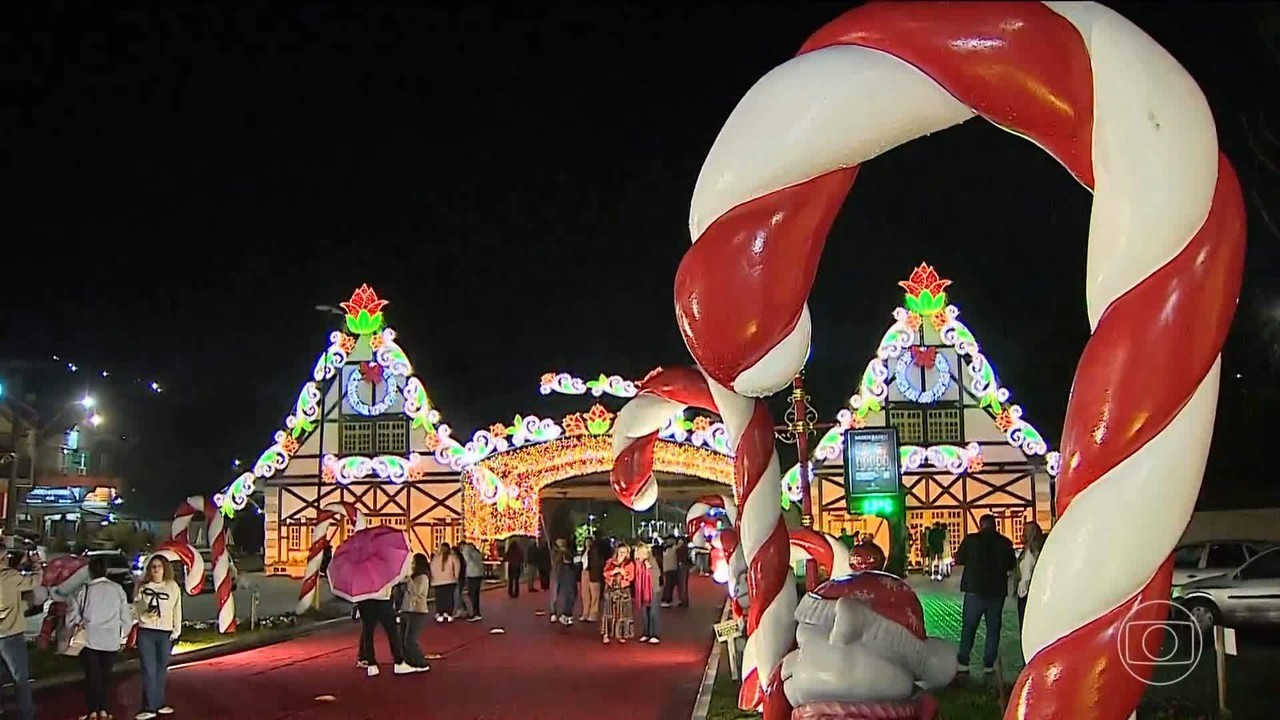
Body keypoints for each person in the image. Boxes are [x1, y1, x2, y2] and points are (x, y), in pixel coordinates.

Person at [67, 554, 132, 720]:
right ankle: (104, 709)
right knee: (106, 677)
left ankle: (93, 711)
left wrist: (78, 624)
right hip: (110, 640)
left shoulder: (84, 590)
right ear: (106, 571)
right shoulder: (117, 589)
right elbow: (125, 617)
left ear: (90, 571)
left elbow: (72, 616)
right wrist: (123, 637)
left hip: (90, 639)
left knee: (92, 677)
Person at [952, 515, 1016, 674]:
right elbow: (1011, 565)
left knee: (969, 626)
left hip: (974, 589)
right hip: (996, 591)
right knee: (993, 628)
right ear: (995, 525)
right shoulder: (1005, 542)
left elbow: (959, 559)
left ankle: (963, 661)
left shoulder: (971, 540)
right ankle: (988, 663)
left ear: (981, 525)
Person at [133, 554, 183, 719]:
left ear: (164, 569)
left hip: (165, 633)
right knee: (149, 670)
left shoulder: (172, 587)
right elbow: (137, 608)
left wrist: (176, 630)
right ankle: (149, 706)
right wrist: (146, 615)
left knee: (161, 669)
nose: (156, 569)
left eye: (159, 566)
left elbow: (177, 609)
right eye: (153, 566)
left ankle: (159, 702)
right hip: (147, 632)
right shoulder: (143, 588)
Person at [0, 551, 40, 720]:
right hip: (11, 634)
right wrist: (37, 564)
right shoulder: (10, 576)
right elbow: (35, 580)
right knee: (20, 678)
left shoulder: (9, 576)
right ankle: (26, 714)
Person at [355, 579, 413, 677]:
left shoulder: (359, 568)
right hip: (382, 597)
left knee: (368, 631)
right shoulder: (381, 565)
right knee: (391, 630)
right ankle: (398, 662)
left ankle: (371, 664)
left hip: (365, 598)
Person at [399, 554, 432, 672]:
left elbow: (417, 592)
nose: (412, 565)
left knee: (410, 639)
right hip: (406, 609)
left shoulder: (423, 577)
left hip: (418, 610)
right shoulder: (414, 576)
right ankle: (408, 660)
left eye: (413, 562)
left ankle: (420, 662)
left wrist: (409, 581)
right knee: (402, 638)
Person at [1013, 522, 1045, 629]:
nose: (1022, 534)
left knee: (1025, 625)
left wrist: (1021, 591)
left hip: (1026, 594)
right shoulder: (1038, 550)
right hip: (1034, 591)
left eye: (1024, 531)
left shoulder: (1029, 553)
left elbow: (1027, 574)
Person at [600, 545, 635, 644]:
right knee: (608, 611)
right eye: (620, 552)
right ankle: (606, 634)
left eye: (624, 552)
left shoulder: (629, 564)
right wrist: (613, 571)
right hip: (611, 590)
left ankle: (621, 634)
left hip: (623, 591)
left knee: (622, 612)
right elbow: (604, 573)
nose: (621, 554)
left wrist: (624, 574)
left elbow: (631, 577)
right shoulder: (610, 561)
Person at [633, 544, 661, 644]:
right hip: (642, 591)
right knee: (645, 613)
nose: (637, 554)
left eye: (639, 552)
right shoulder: (637, 563)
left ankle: (654, 634)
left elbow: (657, 574)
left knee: (653, 613)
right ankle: (646, 633)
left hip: (652, 589)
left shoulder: (651, 560)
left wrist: (649, 569)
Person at [429, 542, 461, 623]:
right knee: (449, 598)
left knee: (439, 598)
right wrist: (456, 576)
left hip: (438, 581)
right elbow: (457, 566)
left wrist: (433, 578)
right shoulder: (452, 557)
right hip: (450, 580)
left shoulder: (436, 558)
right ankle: (449, 614)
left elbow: (432, 568)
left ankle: (440, 614)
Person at [579, 535, 605, 623]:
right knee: (585, 594)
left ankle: (593, 613)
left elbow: (597, 563)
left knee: (594, 594)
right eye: (586, 541)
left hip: (593, 573)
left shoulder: (595, 551)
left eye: (589, 541)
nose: (587, 543)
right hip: (584, 572)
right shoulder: (584, 551)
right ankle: (585, 613)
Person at [551, 539, 577, 626]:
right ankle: (553, 612)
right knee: (555, 594)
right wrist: (560, 553)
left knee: (569, 594)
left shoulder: (568, 551)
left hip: (566, 573)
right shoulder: (555, 552)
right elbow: (555, 561)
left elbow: (572, 559)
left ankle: (566, 614)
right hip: (557, 573)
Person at [459, 542, 485, 622]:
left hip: (472, 574)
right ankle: (477, 612)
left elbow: (467, 560)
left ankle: (475, 613)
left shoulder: (466, 550)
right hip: (479, 574)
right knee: (476, 594)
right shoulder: (476, 551)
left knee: (472, 594)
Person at [660, 538, 679, 607]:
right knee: (669, 585)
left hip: (667, 569)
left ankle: (667, 599)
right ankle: (666, 600)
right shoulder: (671, 549)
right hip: (671, 569)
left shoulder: (665, 549)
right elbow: (678, 546)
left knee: (669, 585)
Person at [675, 538, 692, 607]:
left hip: (681, 566)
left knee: (682, 584)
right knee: (683, 584)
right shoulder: (686, 549)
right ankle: (684, 600)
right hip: (684, 566)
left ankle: (683, 600)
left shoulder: (681, 549)